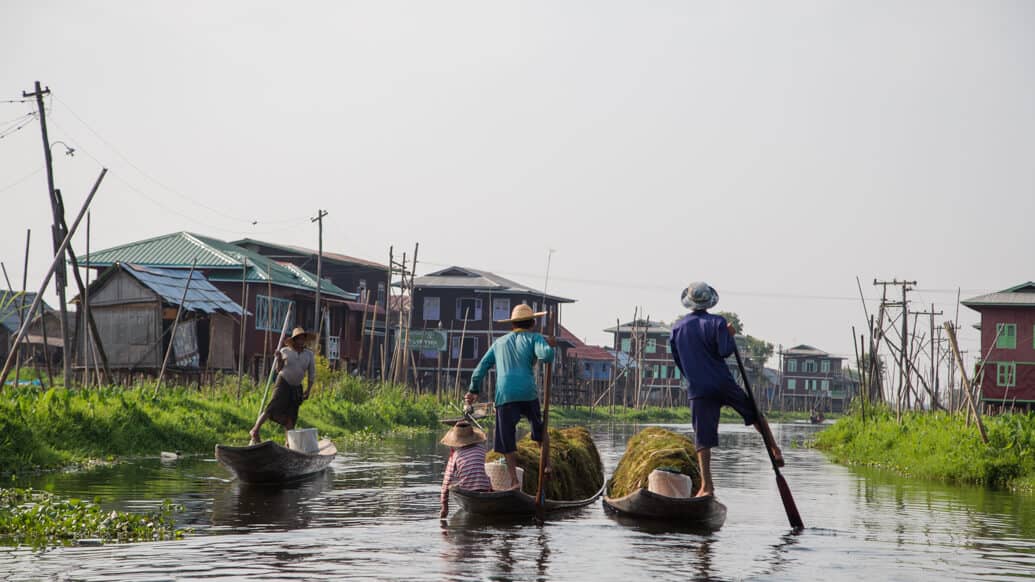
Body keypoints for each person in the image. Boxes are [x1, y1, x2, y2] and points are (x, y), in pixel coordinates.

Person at [669, 282, 784, 498]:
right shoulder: (717, 323)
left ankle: (707, 487)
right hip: (723, 382)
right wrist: (728, 334)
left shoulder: (676, 329)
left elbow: (679, 362)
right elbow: (724, 352)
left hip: (699, 387)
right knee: (754, 413)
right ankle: (775, 449)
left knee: (702, 439)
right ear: (709, 301)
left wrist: (694, 379)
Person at [465, 304, 555, 489]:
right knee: (539, 429)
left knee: (507, 439)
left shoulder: (499, 343)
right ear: (532, 323)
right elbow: (546, 356)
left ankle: (514, 480)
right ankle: (546, 465)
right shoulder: (535, 338)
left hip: (505, 394)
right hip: (528, 392)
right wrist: (549, 346)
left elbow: (480, 368)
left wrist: (474, 390)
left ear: (512, 324)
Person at [249, 327, 317, 445]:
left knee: (292, 417)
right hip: (283, 383)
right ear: (294, 340)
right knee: (272, 406)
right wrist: (279, 358)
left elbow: (311, 374)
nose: (301, 341)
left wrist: (308, 390)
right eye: (298, 339)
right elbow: (278, 369)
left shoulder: (309, 355)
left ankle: (288, 443)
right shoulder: (285, 351)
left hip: (296, 387)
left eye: (302, 338)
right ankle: (255, 430)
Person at [439, 420, 493, 518]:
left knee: (454, 483)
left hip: (467, 491)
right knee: (486, 476)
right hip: (485, 488)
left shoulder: (455, 456)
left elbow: (446, 483)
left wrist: (444, 507)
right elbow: (477, 468)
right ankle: (490, 491)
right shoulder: (481, 449)